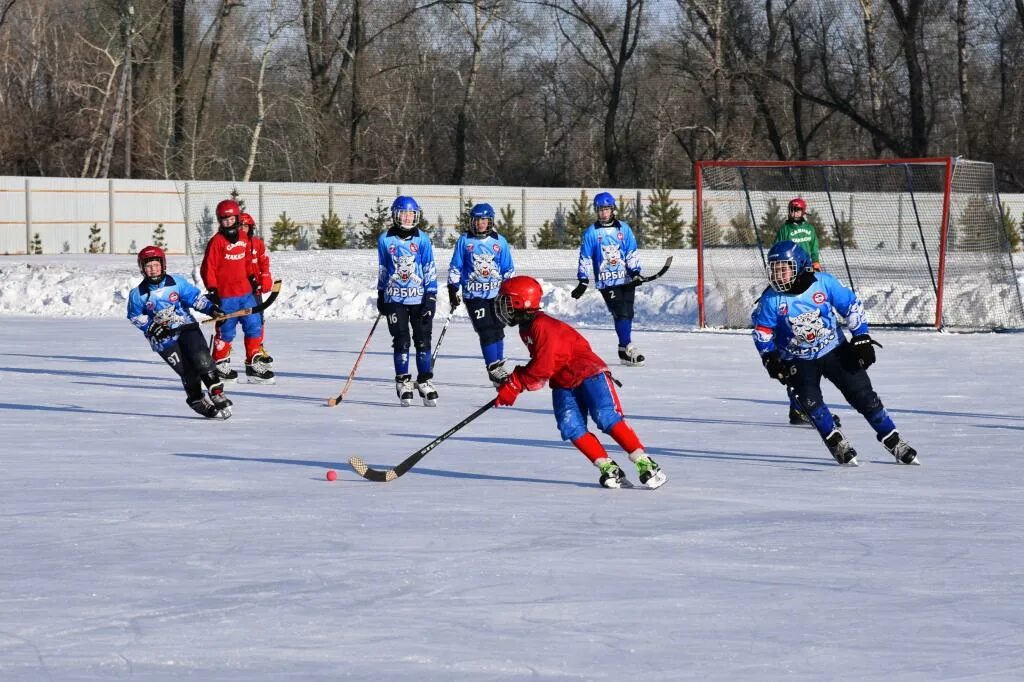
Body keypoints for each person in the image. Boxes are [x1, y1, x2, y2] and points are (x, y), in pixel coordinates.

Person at [752, 240, 919, 466]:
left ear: (799, 265)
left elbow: (851, 306)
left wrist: (861, 338)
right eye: (774, 269)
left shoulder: (823, 283)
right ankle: (835, 441)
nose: (778, 275)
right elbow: (762, 331)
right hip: (798, 359)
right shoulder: (771, 300)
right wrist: (770, 357)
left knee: (864, 397)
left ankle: (893, 438)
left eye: (784, 268)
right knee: (812, 404)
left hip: (834, 350)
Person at [493, 275, 667, 489]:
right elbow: (545, 365)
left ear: (522, 302)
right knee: (570, 426)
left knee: (605, 417)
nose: (502, 307)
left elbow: (544, 366)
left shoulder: (542, 325)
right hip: (563, 380)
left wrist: (516, 383)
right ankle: (609, 468)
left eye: (506, 301)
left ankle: (645, 463)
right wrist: (515, 384)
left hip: (588, 372)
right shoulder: (526, 329)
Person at [127, 245, 232, 419]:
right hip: (163, 340)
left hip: (186, 327)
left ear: (163, 265)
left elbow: (195, 299)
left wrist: (212, 310)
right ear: (142, 269)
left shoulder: (177, 283)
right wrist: (152, 327)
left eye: (156, 264)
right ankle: (196, 399)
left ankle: (216, 391)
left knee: (202, 358)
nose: (153, 269)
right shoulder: (137, 294)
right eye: (148, 266)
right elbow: (135, 316)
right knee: (188, 372)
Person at [201, 199, 274, 385]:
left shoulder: (244, 238)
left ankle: (253, 364)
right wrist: (213, 290)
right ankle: (220, 364)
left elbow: (249, 262)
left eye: (231, 218)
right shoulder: (217, 242)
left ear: (236, 218)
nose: (228, 222)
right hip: (226, 296)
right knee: (226, 331)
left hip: (247, 294)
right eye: (224, 219)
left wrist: (255, 279)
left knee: (254, 326)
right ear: (219, 221)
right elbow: (208, 267)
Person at [570, 192, 645, 366]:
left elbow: (631, 252)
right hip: (607, 281)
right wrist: (583, 280)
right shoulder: (591, 233)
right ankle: (628, 347)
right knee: (620, 311)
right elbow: (585, 257)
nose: (603, 213)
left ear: (612, 210)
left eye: (606, 209)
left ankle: (623, 350)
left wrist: (635, 272)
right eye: (600, 210)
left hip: (625, 279)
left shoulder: (624, 229)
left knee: (628, 312)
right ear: (596, 211)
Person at [377, 195, 439, 406]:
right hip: (395, 298)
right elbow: (384, 267)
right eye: (403, 213)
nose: (407, 217)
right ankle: (403, 381)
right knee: (402, 340)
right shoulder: (385, 239)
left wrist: (431, 295)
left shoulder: (422, 239)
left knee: (422, 339)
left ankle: (424, 380)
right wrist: (380, 293)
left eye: (411, 213)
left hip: (419, 298)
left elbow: (430, 267)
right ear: (395, 215)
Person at [447, 202, 516, 385]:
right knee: (485, 330)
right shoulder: (464, 241)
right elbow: (456, 266)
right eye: (477, 220)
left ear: (490, 221)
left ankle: (498, 367)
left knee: (498, 329)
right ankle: (492, 367)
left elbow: (508, 269)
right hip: (474, 295)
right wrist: (453, 288)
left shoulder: (499, 241)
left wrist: (508, 291)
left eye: (484, 220)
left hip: (496, 294)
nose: (480, 224)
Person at [772, 197, 826, 425]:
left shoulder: (809, 229)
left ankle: (803, 407)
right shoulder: (784, 229)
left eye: (797, 210)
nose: (794, 213)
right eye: (791, 210)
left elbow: (814, 250)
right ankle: (799, 408)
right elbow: (778, 251)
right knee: (795, 354)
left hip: (806, 278)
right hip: (791, 279)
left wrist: (815, 263)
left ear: (803, 212)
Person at [239, 212, 274, 368]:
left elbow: (264, 261)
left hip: (254, 289)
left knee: (258, 319)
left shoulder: (258, 243)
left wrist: (265, 277)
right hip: (234, 289)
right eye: (239, 225)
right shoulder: (229, 244)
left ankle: (257, 350)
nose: (242, 228)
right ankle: (222, 353)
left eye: (245, 225)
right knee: (226, 321)